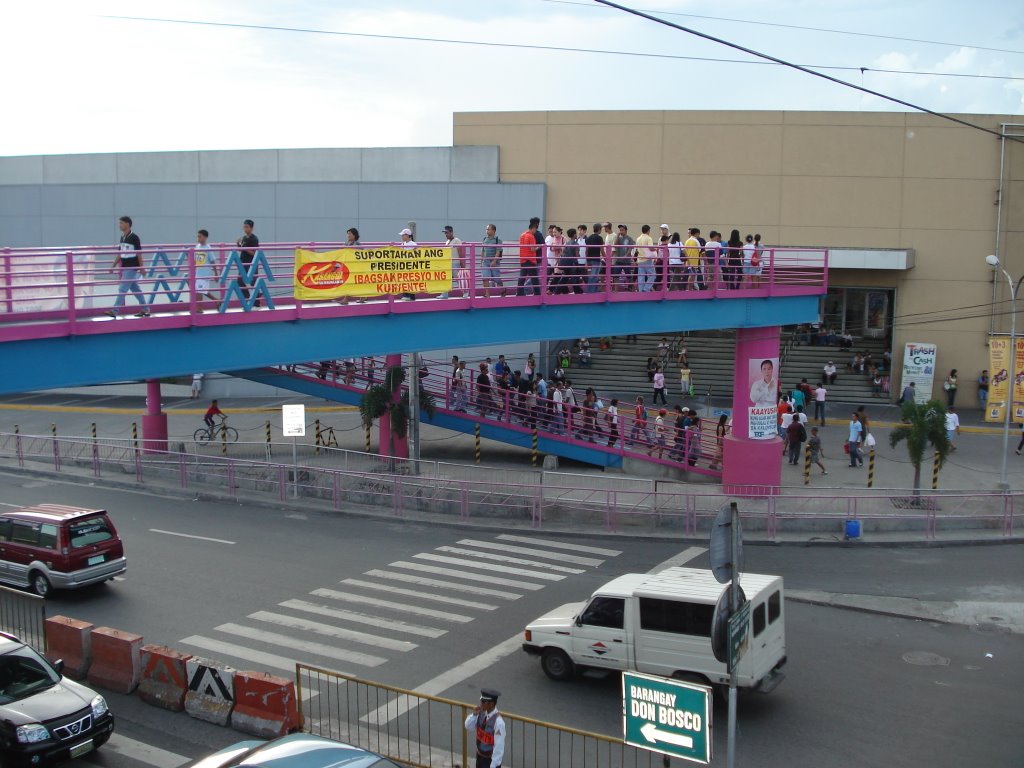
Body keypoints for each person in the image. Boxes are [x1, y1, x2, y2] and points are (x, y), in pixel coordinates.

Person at [106, 215, 148, 317]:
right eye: (119, 223)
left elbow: (139, 253)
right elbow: (120, 253)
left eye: (121, 223)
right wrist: (113, 265)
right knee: (135, 289)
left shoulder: (134, 237)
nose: (119, 225)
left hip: (132, 266)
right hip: (125, 266)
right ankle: (146, 309)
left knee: (122, 288)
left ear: (127, 224)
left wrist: (141, 267)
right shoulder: (122, 237)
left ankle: (114, 310)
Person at [465, 689, 505, 768]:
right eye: (481, 701)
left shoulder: (498, 722)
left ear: (491, 704)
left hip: (490, 761)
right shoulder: (481, 714)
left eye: (484, 702)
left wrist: (493, 765)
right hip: (480, 757)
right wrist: (474, 715)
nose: (481, 704)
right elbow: (468, 726)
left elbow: (499, 748)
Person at [236, 219, 260, 307]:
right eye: (244, 227)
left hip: (251, 263)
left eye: (247, 227)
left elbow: (254, 253)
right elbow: (242, 249)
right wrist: (238, 245)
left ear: (251, 228)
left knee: (254, 282)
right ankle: (248, 298)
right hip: (243, 262)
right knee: (240, 281)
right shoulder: (244, 238)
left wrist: (245, 248)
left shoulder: (254, 239)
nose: (245, 229)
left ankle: (256, 302)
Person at [193, 229, 219, 309]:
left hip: (204, 274)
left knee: (199, 291)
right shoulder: (197, 247)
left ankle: (199, 308)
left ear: (205, 237)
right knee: (201, 290)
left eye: (200, 237)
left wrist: (216, 273)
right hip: (198, 273)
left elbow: (212, 261)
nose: (198, 238)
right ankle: (216, 300)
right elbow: (195, 260)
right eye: (197, 237)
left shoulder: (208, 248)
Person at [517, 217, 542, 296]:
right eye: (535, 229)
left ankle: (519, 293)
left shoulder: (522, 235)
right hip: (530, 260)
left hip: (523, 259)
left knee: (522, 277)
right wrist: (540, 246)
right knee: (534, 278)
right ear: (534, 228)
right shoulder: (531, 236)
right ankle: (537, 294)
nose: (535, 231)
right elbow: (532, 249)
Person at [481, 224, 504, 298]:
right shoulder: (484, 239)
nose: (487, 231)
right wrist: (481, 261)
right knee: (485, 278)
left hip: (495, 262)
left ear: (493, 231)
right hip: (486, 261)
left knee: (496, 279)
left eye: (488, 229)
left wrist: (494, 261)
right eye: (486, 229)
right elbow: (483, 251)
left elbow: (498, 251)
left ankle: (503, 290)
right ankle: (487, 294)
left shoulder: (498, 240)